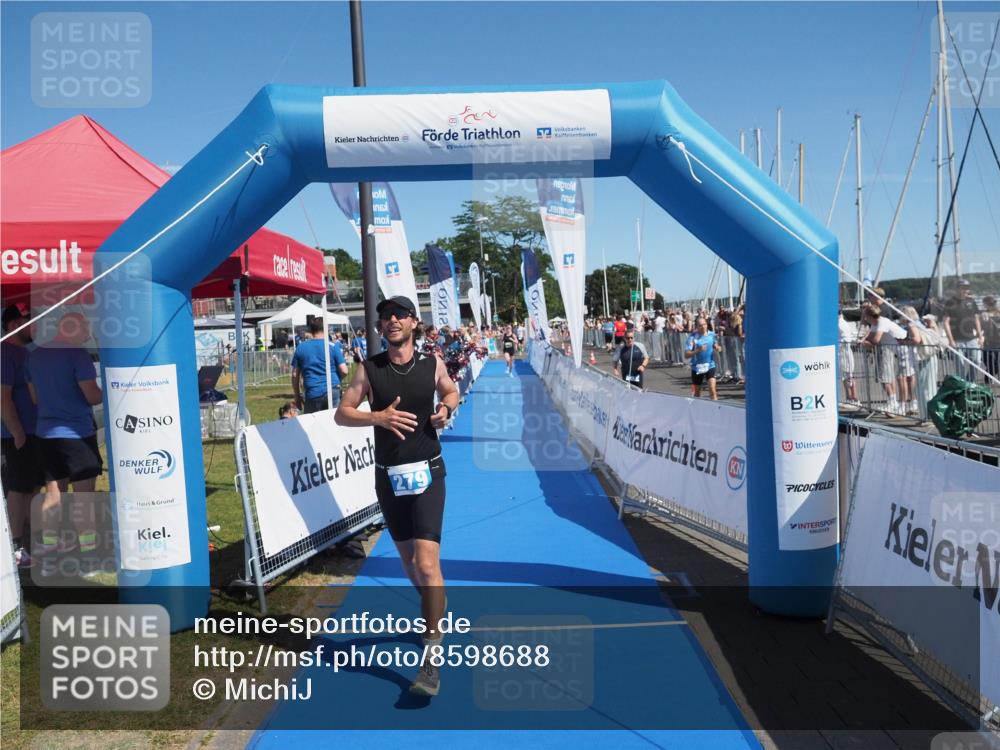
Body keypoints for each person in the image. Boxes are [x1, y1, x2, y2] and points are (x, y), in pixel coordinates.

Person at [335, 295, 459, 698]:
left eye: (400, 315)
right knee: (409, 563)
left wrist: (446, 409)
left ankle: (431, 661)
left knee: (426, 562)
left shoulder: (432, 363)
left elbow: (451, 390)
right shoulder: (369, 369)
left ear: (413, 323)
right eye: (385, 316)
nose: (391, 321)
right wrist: (378, 417)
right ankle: (435, 608)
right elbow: (342, 412)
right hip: (388, 479)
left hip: (428, 474)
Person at [25, 312, 103, 563]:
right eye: (85, 329)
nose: (88, 335)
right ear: (72, 328)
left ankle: (48, 547)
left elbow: (35, 398)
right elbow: (92, 396)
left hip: (46, 434)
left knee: (53, 493)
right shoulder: (77, 355)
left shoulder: (34, 357)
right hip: (77, 434)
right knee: (84, 497)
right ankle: (89, 550)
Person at [1, 305, 43, 567]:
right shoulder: (5, 353)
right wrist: (16, 431)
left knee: (29, 488)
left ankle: (29, 544)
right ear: (14, 325)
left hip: (32, 432)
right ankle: (15, 547)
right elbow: (3, 398)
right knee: (18, 489)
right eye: (31, 322)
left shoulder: (23, 353)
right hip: (15, 434)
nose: (36, 328)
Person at [291, 318, 349, 413]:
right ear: (326, 329)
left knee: (313, 425)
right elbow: (344, 370)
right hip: (333, 390)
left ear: (311, 330)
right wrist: (335, 381)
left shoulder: (301, 347)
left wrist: (297, 396)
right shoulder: (333, 346)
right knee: (334, 422)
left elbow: (294, 375)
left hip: (312, 391)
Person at [861, 305, 907, 415]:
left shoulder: (882, 322)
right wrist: (865, 340)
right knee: (885, 376)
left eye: (865, 316)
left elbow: (875, 340)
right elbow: (869, 338)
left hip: (895, 350)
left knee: (885, 376)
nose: (864, 318)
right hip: (889, 350)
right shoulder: (875, 324)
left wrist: (865, 342)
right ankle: (892, 401)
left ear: (868, 316)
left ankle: (894, 403)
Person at [942, 279, 983, 382]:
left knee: (977, 361)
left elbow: (976, 319)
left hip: (971, 338)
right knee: (959, 366)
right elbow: (946, 322)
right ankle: (963, 385)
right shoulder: (950, 302)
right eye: (963, 288)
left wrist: (980, 336)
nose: (965, 290)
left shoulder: (971, 301)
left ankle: (969, 381)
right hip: (957, 340)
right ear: (957, 289)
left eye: (967, 288)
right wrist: (950, 340)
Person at [684, 315, 722, 399]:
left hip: (710, 365)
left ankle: (715, 411)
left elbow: (717, 345)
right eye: (700, 325)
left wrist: (717, 348)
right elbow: (686, 355)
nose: (703, 327)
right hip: (697, 367)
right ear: (697, 327)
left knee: (712, 390)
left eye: (704, 324)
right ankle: (697, 410)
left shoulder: (712, 335)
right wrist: (698, 350)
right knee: (696, 393)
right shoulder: (692, 337)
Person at [837, 310, 859, 406]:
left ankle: (854, 398)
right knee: (844, 377)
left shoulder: (841, 324)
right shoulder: (839, 323)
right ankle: (848, 398)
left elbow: (846, 339)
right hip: (841, 353)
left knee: (849, 376)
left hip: (845, 353)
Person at [981, 296, 1000, 379]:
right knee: (989, 362)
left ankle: (988, 379)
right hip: (989, 342)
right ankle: (988, 378)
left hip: (996, 341)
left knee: (995, 364)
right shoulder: (984, 314)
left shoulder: (997, 313)